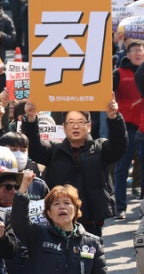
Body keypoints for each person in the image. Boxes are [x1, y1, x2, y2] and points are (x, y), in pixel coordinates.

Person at [22, 100, 126, 236]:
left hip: (91, 222)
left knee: (91, 256)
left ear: (89, 126)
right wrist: (31, 119)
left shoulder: (100, 148)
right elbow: (35, 147)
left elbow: (119, 146)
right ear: (64, 127)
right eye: (71, 122)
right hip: (58, 222)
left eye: (80, 122)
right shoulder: (54, 150)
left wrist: (114, 117)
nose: (75, 126)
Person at [11, 170, 108, 274]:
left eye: (67, 203)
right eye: (56, 204)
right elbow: (19, 221)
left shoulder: (93, 243)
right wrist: (23, 188)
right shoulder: (38, 234)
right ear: (49, 213)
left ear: (76, 209)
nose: (62, 206)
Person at [113, 40, 144, 220]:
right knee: (122, 167)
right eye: (134, 50)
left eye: (140, 49)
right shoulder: (119, 73)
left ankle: (141, 203)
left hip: (143, 124)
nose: (138, 52)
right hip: (127, 126)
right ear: (128, 54)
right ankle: (120, 206)